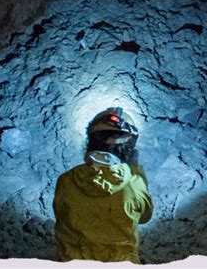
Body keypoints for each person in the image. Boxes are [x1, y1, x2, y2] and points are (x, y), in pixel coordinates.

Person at [53, 107, 153, 263]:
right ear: (128, 145)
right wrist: (137, 173)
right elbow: (145, 216)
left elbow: (61, 214)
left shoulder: (65, 180)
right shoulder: (134, 184)